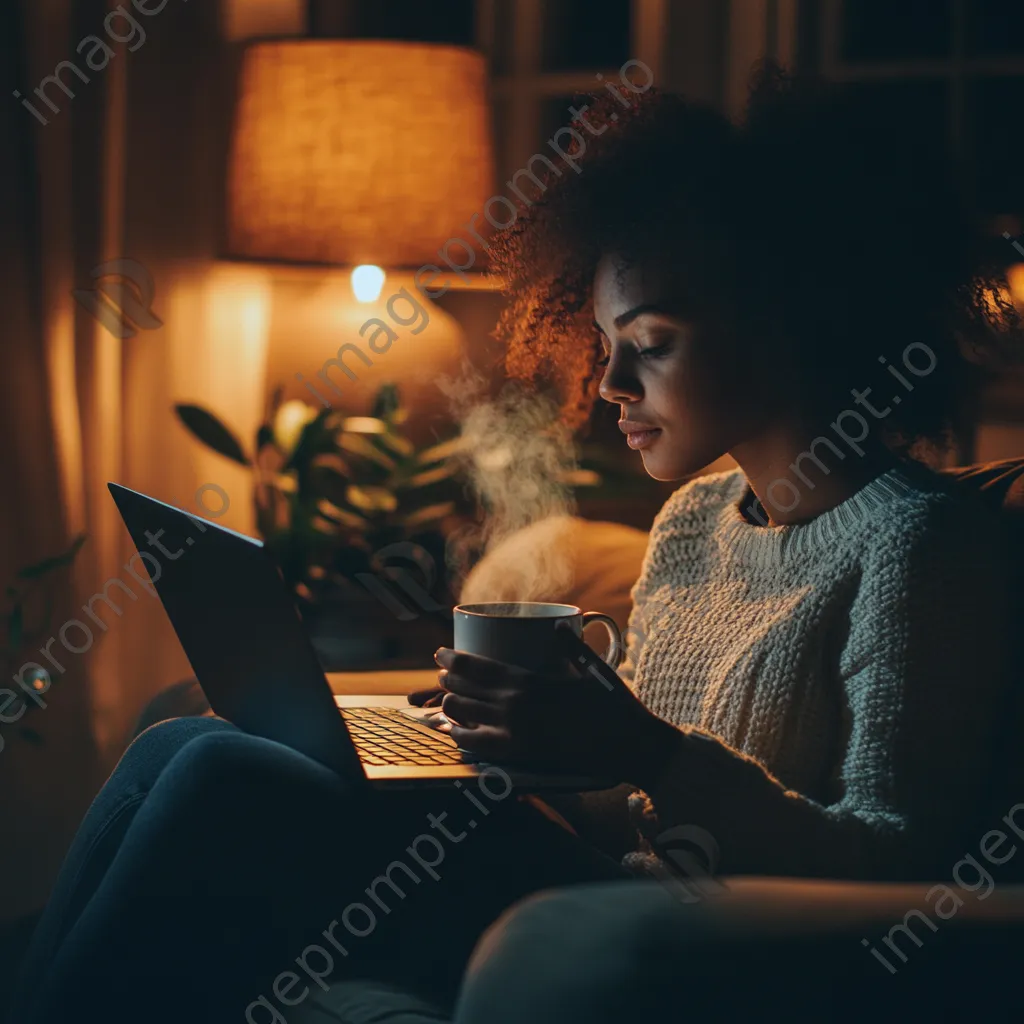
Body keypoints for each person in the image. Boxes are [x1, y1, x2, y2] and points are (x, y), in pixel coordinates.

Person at [14, 63, 1022, 1022]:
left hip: (695, 949)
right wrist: (514, 749)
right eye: (605, 344)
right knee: (183, 737)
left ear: (786, 323)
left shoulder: (920, 547)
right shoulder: (688, 526)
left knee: (221, 781)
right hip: (581, 890)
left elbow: (898, 869)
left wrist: (646, 753)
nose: (612, 385)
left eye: (651, 344)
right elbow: (625, 810)